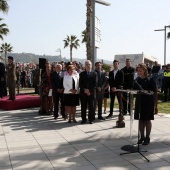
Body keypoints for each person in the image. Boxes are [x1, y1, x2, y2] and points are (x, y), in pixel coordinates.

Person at [134, 63, 156, 145]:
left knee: (147, 119)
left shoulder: (150, 79)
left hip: (148, 102)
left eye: (140, 70)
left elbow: (154, 90)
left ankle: (147, 138)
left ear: (144, 70)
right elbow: (134, 88)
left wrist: (147, 92)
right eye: (138, 71)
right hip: (139, 101)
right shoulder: (137, 80)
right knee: (140, 119)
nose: (139, 72)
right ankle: (142, 137)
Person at [79, 60, 97, 124]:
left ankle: (91, 119)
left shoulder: (94, 73)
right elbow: (80, 84)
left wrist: (89, 90)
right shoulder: (81, 74)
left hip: (91, 93)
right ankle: (83, 119)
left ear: (91, 66)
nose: (88, 65)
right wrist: (85, 90)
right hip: (83, 93)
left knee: (91, 106)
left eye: (89, 64)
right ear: (85, 66)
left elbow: (95, 84)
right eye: (86, 64)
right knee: (83, 106)